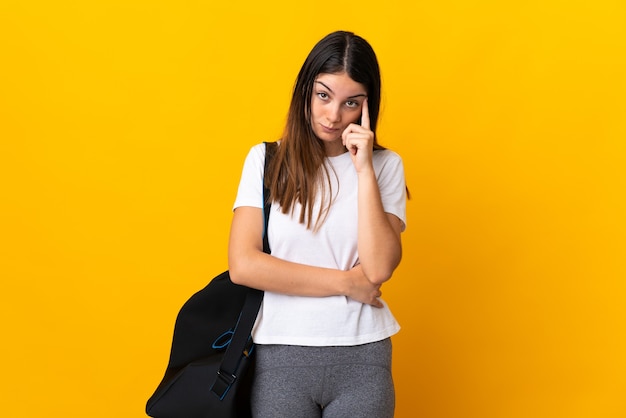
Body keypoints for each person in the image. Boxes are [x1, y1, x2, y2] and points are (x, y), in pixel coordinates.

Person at [228, 30, 407, 418]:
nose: (333, 115)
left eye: (351, 103)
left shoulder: (384, 166)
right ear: (305, 91)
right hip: (281, 357)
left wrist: (362, 170)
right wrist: (346, 283)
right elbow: (243, 265)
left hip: (363, 357)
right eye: (323, 95)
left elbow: (378, 268)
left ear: (366, 106)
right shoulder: (265, 161)